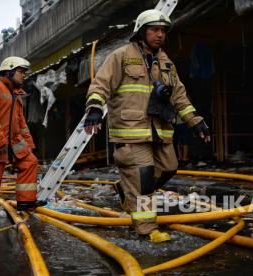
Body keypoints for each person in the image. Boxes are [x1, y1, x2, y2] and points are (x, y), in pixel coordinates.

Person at [84, 10, 210, 243]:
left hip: (160, 131)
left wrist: (195, 121)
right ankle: (146, 230)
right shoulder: (121, 56)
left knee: (170, 167)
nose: (160, 35)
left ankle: (125, 190)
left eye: (163, 30)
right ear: (142, 32)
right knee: (143, 179)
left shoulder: (167, 63)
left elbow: (180, 97)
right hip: (131, 132)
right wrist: (93, 109)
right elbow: (100, 86)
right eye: (154, 29)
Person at [0, 56, 45, 228]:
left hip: (11, 143)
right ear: (9, 71)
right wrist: (0, 144)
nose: (23, 76)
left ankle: (26, 201)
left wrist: (30, 146)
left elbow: (22, 125)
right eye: (20, 72)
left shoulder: (16, 96)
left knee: (30, 161)